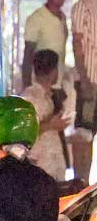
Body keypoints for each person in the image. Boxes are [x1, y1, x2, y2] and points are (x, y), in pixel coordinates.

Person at [21, 48, 75, 182]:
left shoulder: (51, 97)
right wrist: (51, 125)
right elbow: (24, 131)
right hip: (39, 168)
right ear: (53, 72)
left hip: (54, 166)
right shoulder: (30, 97)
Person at [71, 0, 97, 183]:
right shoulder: (81, 7)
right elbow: (77, 46)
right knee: (85, 134)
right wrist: (85, 79)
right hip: (90, 80)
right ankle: (81, 185)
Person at [22, 0, 70, 89]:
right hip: (40, 83)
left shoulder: (62, 17)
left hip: (58, 82)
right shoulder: (36, 18)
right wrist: (27, 85)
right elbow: (28, 54)